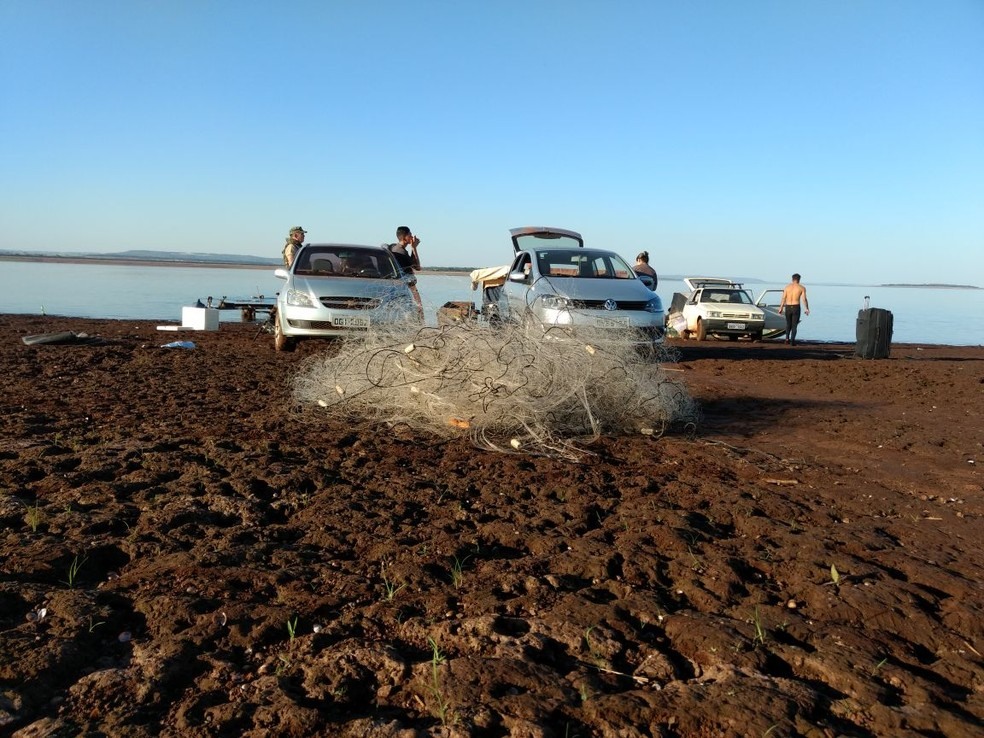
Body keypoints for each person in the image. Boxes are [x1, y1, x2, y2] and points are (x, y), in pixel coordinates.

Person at [387, 225, 423, 317]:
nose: (412, 237)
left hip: (404, 283)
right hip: (407, 284)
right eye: (410, 234)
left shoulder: (397, 248)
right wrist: (414, 248)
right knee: (418, 308)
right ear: (404, 237)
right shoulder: (401, 251)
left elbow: (411, 262)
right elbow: (417, 267)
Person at [778, 273, 810, 345]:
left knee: (788, 324)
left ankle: (786, 339)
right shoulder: (801, 288)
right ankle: (792, 341)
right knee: (794, 325)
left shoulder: (787, 287)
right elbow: (804, 299)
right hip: (796, 307)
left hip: (788, 306)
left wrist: (781, 308)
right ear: (799, 279)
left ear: (792, 279)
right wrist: (807, 308)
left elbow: (783, 298)